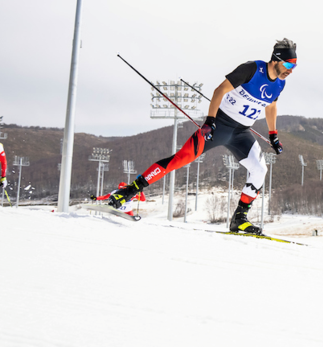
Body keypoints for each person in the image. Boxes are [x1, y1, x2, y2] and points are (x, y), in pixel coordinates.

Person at [108, 39, 297, 234]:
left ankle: (239, 219)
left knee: (260, 169)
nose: (291, 70)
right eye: (289, 64)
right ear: (276, 59)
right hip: (220, 125)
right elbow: (220, 90)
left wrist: (273, 135)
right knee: (180, 159)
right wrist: (210, 121)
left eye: (295, 66)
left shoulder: (280, 84)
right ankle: (127, 192)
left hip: (241, 133)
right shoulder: (252, 69)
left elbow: (271, 106)